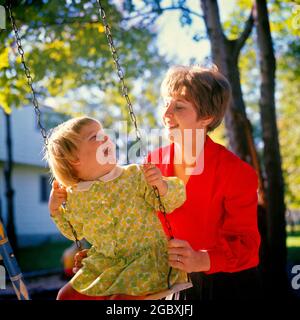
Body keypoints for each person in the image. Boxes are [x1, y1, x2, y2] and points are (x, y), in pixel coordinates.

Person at [46, 116, 188, 300]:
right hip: (105, 265)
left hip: (145, 262)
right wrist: (55, 210)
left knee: (120, 301)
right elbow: (74, 232)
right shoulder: (75, 195)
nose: (106, 138)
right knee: (65, 296)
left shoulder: (134, 175)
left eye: (104, 133)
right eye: (94, 137)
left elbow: (172, 201)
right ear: (74, 159)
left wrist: (161, 185)